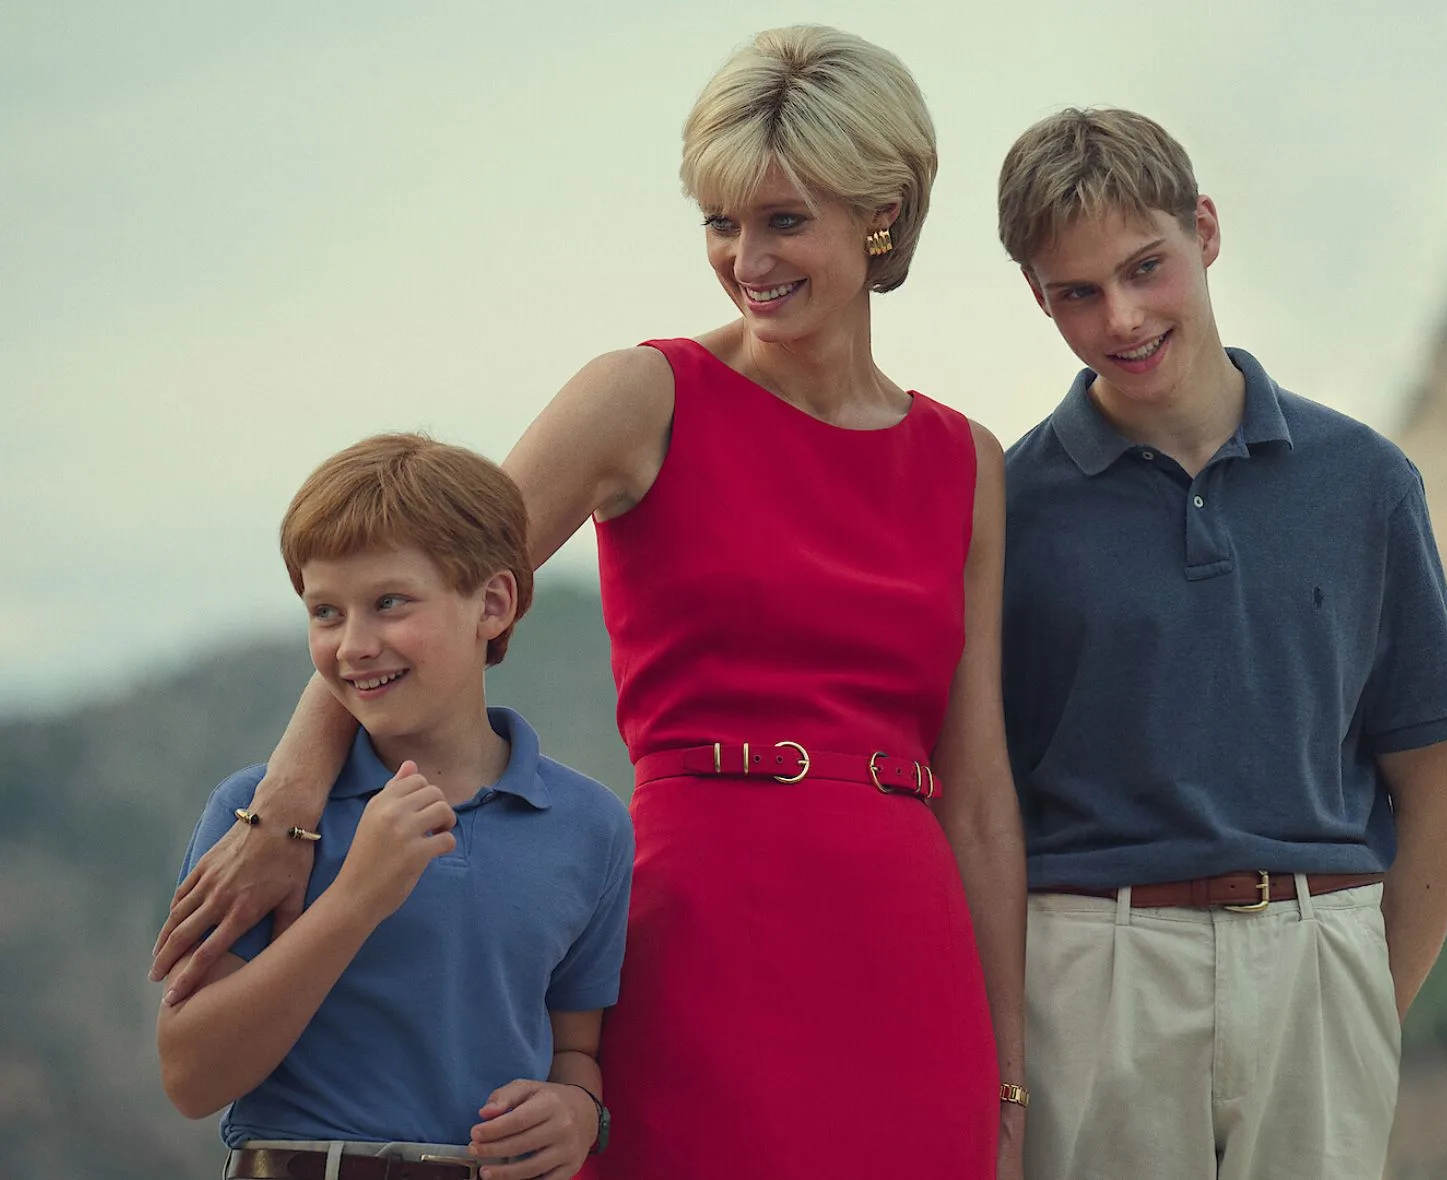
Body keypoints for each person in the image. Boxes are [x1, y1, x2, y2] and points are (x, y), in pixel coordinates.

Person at [152, 26, 1027, 1180]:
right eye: (720, 221)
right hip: (707, 926)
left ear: (879, 217)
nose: (745, 259)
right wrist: (288, 808)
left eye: (783, 220)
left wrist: (1010, 1078)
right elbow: (421, 600)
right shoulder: (643, 395)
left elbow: (976, 794)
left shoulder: (968, 459)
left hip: (907, 953)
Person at [996, 108, 1447, 1180]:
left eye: (1145, 268)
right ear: (1038, 296)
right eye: (1076, 292)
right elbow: (984, 806)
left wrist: (1355, 1006)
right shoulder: (1005, 508)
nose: (1121, 317)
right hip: (1093, 969)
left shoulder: (1366, 483)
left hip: (1321, 953)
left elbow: (1442, 802)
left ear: (1204, 231)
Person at [158, 432, 632, 1180]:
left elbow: (575, 1045)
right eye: (325, 612)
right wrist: (355, 900)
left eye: (389, 603)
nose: (353, 645)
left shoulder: (590, 827)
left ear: (495, 604)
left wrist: (579, 1109)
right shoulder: (257, 820)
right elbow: (192, 1076)